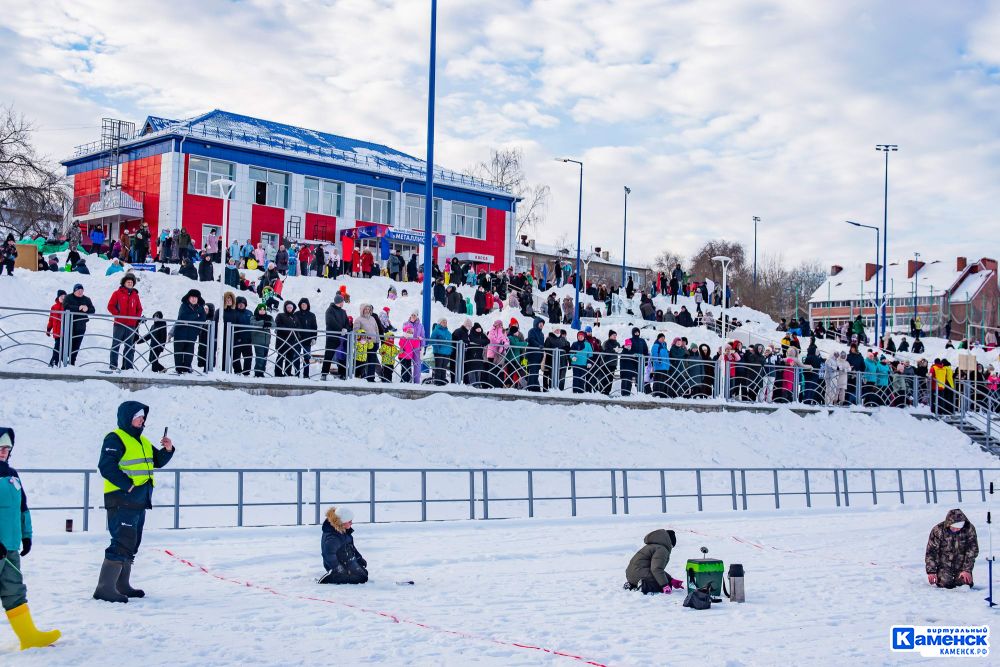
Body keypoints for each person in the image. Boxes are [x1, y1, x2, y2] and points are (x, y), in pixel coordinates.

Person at [93, 402, 175, 603]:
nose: (142, 420)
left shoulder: (142, 441)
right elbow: (106, 466)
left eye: (143, 417)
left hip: (139, 500)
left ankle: (121, 585)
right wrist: (128, 485)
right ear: (128, 418)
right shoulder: (115, 438)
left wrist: (167, 449)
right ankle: (105, 588)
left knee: (132, 542)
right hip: (122, 498)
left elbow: (157, 461)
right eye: (138, 417)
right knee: (121, 540)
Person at [0, 427, 61, 650]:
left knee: (14, 591)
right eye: (0, 447)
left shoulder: (12, 475)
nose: (4, 451)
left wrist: (27, 536)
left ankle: (28, 637)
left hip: (10, 547)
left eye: (7, 448)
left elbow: (22, 507)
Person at [925, 509, 978, 589]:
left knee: (964, 584)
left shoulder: (969, 529)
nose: (956, 529)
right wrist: (931, 571)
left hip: (962, 565)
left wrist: (967, 570)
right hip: (944, 565)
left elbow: (972, 551)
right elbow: (931, 551)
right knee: (944, 584)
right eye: (954, 527)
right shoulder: (938, 530)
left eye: (959, 528)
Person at [624, 529, 683, 595]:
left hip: (630, 575)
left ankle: (632, 585)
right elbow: (657, 569)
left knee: (664, 581)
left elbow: (656, 568)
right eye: (671, 546)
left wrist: (671, 579)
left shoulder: (652, 546)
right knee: (664, 585)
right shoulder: (662, 550)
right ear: (669, 543)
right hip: (640, 574)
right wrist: (665, 585)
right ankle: (644, 586)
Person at [319, 507, 367, 584]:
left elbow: (352, 547)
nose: (351, 523)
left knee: (364, 574)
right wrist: (338, 568)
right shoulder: (333, 537)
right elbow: (328, 554)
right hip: (337, 564)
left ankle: (341, 575)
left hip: (347, 559)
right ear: (342, 522)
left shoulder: (344, 531)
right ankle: (330, 578)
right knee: (361, 578)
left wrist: (359, 558)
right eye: (349, 521)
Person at [107, 274, 143, 371]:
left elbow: (139, 309)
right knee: (116, 345)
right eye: (128, 282)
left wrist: (135, 319)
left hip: (131, 325)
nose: (130, 283)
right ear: (124, 283)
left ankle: (128, 367)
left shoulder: (135, 295)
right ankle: (113, 366)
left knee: (130, 346)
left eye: (131, 282)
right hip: (119, 324)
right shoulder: (117, 293)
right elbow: (110, 306)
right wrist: (118, 314)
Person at [172, 289, 207, 373]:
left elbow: (203, 318)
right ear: (188, 298)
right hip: (180, 333)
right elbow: (183, 317)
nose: (194, 299)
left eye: (195, 297)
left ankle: (186, 368)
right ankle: (179, 369)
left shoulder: (200, 307)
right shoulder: (184, 305)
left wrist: (193, 319)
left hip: (192, 334)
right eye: (192, 297)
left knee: (189, 353)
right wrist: (196, 315)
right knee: (178, 352)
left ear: (198, 298)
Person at [63, 283, 95, 365]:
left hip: (81, 324)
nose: (80, 292)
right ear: (74, 291)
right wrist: (78, 308)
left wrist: (87, 309)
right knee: (67, 341)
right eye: (78, 290)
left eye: (82, 290)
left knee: (77, 343)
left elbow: (92, 310)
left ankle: (72, 361)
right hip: (70, 323)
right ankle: (64, 359)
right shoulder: (68, 297)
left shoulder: (86, 299)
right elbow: (66, 307)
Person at [45, 290, 66, 367]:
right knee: (58, 348)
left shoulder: (67, 306)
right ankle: (57, 363)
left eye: (64, 296)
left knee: (58, 348)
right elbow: (51, 319)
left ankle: (53, 363)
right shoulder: (54, 307)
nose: (63, 298)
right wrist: (48, 329)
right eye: (61, 296)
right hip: (56, 332)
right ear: (58, 297)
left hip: (64, 332)